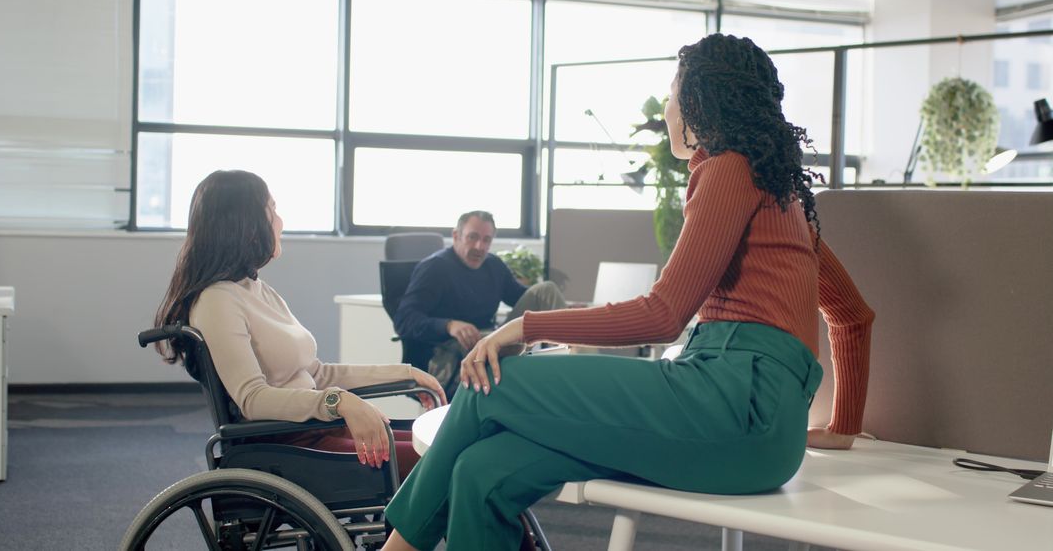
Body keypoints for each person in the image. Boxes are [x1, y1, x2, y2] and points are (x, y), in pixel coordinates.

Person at [380, 33, 875, 551]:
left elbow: (663, 315)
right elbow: (853, 316)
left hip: (732, 409)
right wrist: (842, 425)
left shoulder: (729, 169)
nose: (666, 109)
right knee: (483, 473)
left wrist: (525, 326)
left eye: (672, 92)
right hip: (756, 431)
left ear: (700, 102)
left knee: (494, 385)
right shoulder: (781, 194)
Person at [154, 170, 447, 481]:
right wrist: (338, 401)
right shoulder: (217, 300)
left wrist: (406, 372)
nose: (280, 222)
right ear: (247, 224)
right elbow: (252, 399)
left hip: (317, 430)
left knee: (447, 449)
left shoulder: (257, 290)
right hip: (291, 446)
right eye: (273, 210)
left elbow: (317, 374)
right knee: (448, 465)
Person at [393, 210, 566, 397]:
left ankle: (572, 363)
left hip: (490, 339)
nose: (479, 246)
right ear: (456, 236)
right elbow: (404, 320)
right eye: (472, 237)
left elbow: (523, 296)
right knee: (498, 342)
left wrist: (568, 311)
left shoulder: (493, 266)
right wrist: (449, 325)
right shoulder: (435, 268)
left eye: (486, 240)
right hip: (448, 351)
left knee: (546, 290)